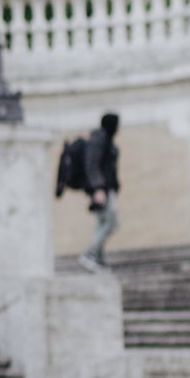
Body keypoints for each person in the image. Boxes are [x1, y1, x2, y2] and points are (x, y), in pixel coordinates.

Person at [79, 112, 121, 272]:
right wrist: (98, 189)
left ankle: (98, 259)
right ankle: (90, 254)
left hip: (103, 189)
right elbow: (92, 164)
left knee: (101, 225)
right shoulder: (99, 139)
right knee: (112, 222)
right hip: (101, 189)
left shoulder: (103, 139)